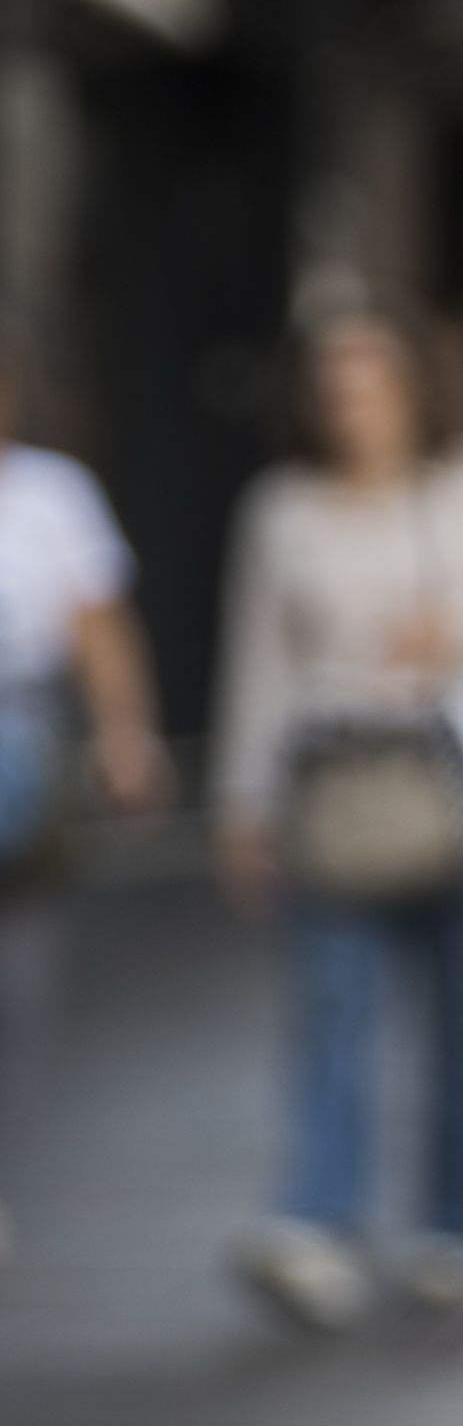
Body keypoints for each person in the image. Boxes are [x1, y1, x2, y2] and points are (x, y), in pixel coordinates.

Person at [214, 313, 463, 1330]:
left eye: (371, 383)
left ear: (416, 390)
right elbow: (259, 664)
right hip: (335, 779)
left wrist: (459, 638)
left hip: (462, 772)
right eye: (333, 386)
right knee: (330, 1011)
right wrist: (244, 805)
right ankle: (317, 1221)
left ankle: (461, 1225)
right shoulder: (281, 509)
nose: (351, 404)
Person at [0, 352, 171, 1263]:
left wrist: (124, 734)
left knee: (17, 978)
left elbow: (98, 621)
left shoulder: (48, 496)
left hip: (17, 759)